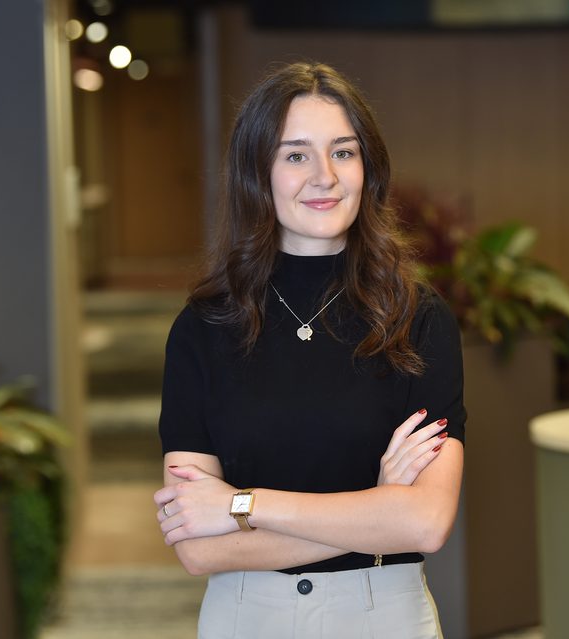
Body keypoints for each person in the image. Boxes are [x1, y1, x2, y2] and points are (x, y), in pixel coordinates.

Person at [153, 61, 465, 639]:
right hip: (245, 617)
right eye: (295, 155)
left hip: (385, 614)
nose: (323, 176)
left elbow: (425, 523)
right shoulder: (203, 328)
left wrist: (241, 506)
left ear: (367, 169)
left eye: (343, 152)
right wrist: (376, 506)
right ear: (257, 173)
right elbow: (198, 551)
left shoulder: (418, 320)